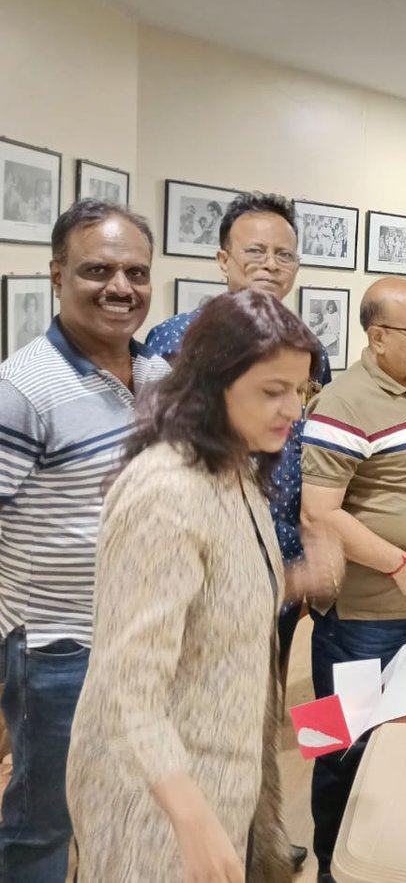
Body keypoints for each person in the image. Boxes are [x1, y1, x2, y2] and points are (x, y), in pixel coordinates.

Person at [66, 290, 323, 882]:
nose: (293, 409)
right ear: (214, 384)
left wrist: (293, 581)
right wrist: (190, 817)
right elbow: (125, 686)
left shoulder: (237, 467)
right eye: (273, 391)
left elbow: (215, 600)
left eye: (300, 389)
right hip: (157, 800)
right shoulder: (166, 491)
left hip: (225, 776)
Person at [145, 190, 331, 873]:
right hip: (204, 569)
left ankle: (261, 843)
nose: (270, 265)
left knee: (262, 715)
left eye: (284, 254)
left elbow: (303, 452)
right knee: (201, 720)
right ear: (223, 260)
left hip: (277, 567)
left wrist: (306, 549)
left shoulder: (303, 345)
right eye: (255, 251)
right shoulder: (175, 342)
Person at [0, 200, 168, 882]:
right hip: (57, 648)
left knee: (124, 802)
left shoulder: (158, 377)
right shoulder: (22, 388)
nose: (120, 287)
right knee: (45, 822)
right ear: (57, 275)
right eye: (98, 270)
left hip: (144, 636)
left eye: (136, 272)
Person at [301, 277, 406, 883]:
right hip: (360, 621)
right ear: (377, 338)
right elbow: (319, 513)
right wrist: (400, 563)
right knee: (337, 746)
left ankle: (394, 859)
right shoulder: (341, 404)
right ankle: (332, 868)